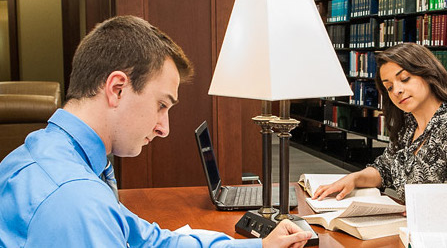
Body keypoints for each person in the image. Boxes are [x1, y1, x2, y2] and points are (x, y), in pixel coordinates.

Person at [0, 16, 311, 248]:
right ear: (117, 89)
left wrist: (259, 244)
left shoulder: (42, 153)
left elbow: (149, 241)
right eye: (161, 105)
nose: (164, 128)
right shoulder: (74, 199)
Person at [311, 43, 447, 201]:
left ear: (428, 74)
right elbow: (384, 169)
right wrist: (354, 179)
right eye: (389, 87)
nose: (397, 90)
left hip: (442, 234)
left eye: (404, 79)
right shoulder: (409, 126)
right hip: (410, 227)